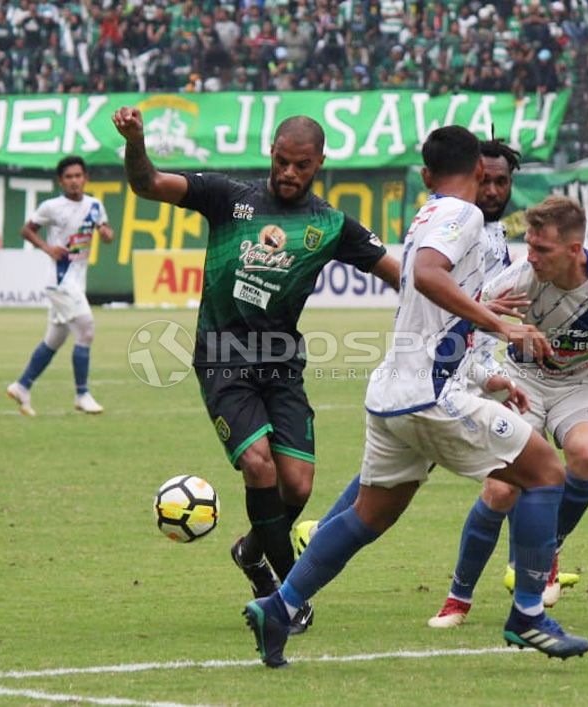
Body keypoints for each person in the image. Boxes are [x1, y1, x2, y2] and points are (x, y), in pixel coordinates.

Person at [242, 126, 588, 669]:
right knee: (547, 473)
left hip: (394, 393)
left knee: (367, 516)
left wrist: (485, 375)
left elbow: (440, 312)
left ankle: (280, 606)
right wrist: (502, 325)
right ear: (479, 171)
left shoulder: (430, 213)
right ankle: (527, 614)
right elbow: (430, 278)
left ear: (426, 176)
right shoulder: (464, 214)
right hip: (430, 395)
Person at [112, 106, 400, 635]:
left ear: (319, 164)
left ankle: (251, 551)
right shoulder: (229, 198)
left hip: (282, 363)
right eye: (283, 162)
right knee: (260, 467)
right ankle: (284, 592)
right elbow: (147, 182)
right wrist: (136, 141)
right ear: (271, 152)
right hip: (222, 357)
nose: (289, 173)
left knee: (298, 484)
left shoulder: (330, 225)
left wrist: (455, 310)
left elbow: (398, 275)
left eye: (302, 166)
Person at [428, 195, 588, 628]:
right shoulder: (516, 280)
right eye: (529, 246)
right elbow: (462, 328)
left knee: (587, 454)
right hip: (526, 383)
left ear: (574, 250)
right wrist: (481, 372)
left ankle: (549, 545)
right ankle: (457, 599)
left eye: (542, 249)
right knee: (501, 490)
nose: (531, 257)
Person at [6, 155, 115, 416]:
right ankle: (82, 393)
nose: (74, 181)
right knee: (86, 328)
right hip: (59, 281)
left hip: (77, 279)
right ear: (61, 181)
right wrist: (47, 248)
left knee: (54, 339)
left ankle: (22, 386)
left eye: (78, 176)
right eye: (69, 177)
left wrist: (107, 233)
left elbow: (105, 229)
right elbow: (26, 230)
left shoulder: (95, 205)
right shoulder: (52, 207)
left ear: (85, 178)